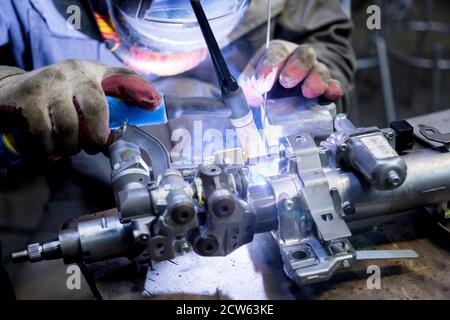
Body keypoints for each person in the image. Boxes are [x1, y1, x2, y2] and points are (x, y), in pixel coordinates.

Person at [0, 0, 356, 298]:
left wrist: (299, 86)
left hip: (255, 194)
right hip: (96, 191)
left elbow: (326, 39)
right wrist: (9, 88)